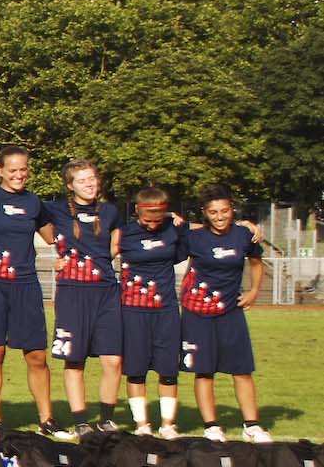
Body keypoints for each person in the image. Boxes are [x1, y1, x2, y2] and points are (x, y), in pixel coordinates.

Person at [0, 146, 61, 438]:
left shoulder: (34, 202)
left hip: (25, 284)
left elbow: (51, 235)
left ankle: (47, 419)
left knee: (36, 355)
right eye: (13, 170)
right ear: (0, 171)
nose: (19, 175)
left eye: (23, 169)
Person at [180, 187, 270, 443]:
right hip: (197, 312)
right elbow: (166, 228)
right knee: (204, 371)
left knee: (242, 370)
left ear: (232, 210)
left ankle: (251, 425)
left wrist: (253, 291)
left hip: (231, 311)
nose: (220, 217)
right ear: (205, 214)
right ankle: (211, 426)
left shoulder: (244, 235)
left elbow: (256, 262)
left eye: (225, 211)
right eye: (213, 212)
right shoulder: (194, 237)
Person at [43, 159, 124, 436]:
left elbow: (115, 245)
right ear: (70, 185)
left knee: (113, 359)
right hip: (72, 293)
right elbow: (29, 220)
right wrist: (60, 257)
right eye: (82, 180)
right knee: (75, 359)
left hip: (106, 291)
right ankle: (81, 421)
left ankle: (107, 418)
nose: (89, 184)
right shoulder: (55, 209)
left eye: (92, 178)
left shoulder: (111, 211)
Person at [111, 186, 186, 439]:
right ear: (137, 211)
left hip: (165, 309)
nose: (153, 225)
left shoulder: (173, 230)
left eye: (157, 220)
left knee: (168, 370)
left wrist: (245, 225)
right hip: (133, 309)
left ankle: (167, 424)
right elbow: (102, 256)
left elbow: (205, 231)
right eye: (147, 220)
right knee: (136, 369)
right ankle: (142, 424)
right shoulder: (123, 234)